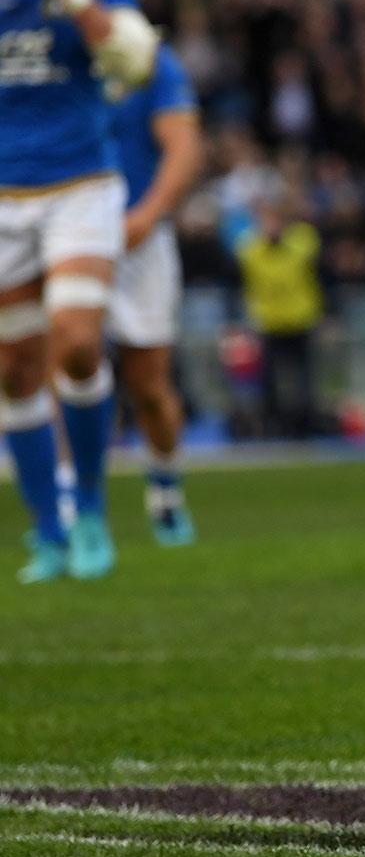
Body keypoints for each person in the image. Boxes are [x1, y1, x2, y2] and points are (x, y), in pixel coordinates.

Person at [0, 0, 157, 583]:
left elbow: (133, 62)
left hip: (82, 184)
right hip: (6, 196)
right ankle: (49, 531)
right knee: (12, 368)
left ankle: (90, 505)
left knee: (77, 343)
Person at [106, 43, 203, 547]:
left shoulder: (145, 59)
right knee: (61, 363)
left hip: (139, 239)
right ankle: (71, 505)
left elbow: (183, 144)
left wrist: (148, 215)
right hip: (59, 229)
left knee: (148, 383)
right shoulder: (31, 57)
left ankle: (165, 487)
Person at [236, 199, 323, 438]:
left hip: (300, 318)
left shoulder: (302, 242)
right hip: (269, 322)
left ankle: (304, 425)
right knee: (269, 380)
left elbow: (316, 272)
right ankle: (273, 426)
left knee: (304, 378)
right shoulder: (251, 250)